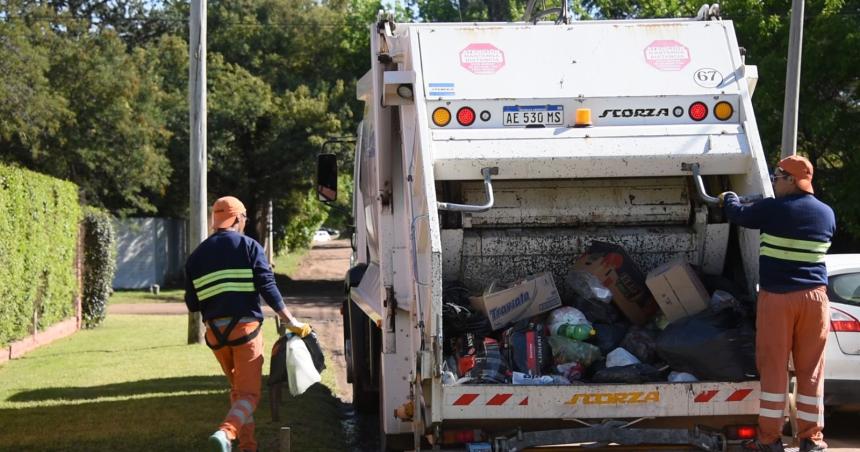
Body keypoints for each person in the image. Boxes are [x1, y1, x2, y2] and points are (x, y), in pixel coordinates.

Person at [719, 155, 835, 452]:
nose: (773, 181)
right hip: (815, 300)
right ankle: (812, 439)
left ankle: (770, 440)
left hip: (779, 299)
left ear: (791, 181)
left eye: (777, 176)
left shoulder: (773, 209)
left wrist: (729, 197)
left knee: (774, 369)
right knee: (811, 371)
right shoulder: (827, 214)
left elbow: (739, 215)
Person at [185, 196, 312, 452]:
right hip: (246, 333)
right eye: (243, 218)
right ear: (236, 218)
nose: (244, 222)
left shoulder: (195, 257)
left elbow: (193, 304)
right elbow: (268, 287)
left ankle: (248, 446)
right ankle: (226, 433)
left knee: (239, 392)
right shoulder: (249, 246)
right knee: (250, 395)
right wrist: (291, 321)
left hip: (216, 336)